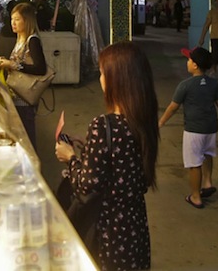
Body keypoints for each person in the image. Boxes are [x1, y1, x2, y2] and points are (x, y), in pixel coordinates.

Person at [55, 41, 159, 270]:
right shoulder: (144, 120)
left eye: (103, 73)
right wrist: (91, 150)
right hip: (134, 225)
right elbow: (123, 168)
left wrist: (70, 157)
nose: (100, 78)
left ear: (117, 80)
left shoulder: (103, 126)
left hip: (108, 230)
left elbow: (87, 185)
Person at [158, 47, 218, 209]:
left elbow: (173, 107)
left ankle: (196, 196)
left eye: (189, 60)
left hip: (193, 130)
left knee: (194, 164)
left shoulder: (185, 85)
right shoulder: (213, 84)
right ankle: (207, 182)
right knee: (207, 154)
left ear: (195, 65)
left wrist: (161, 122)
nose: (187, 62)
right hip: (211, 128)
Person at [0, 3, 47, 147]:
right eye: (12, 19)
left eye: (17, 19)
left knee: (28, 139)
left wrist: (12, 65)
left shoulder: (33, 41)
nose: (13, 23)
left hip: (25, 98)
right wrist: (4, 62)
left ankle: (34, 167)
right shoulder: (20, 39)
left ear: (27, 20)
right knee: (21, 137)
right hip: (16, 95)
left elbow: (40, 68)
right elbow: (19, 61)